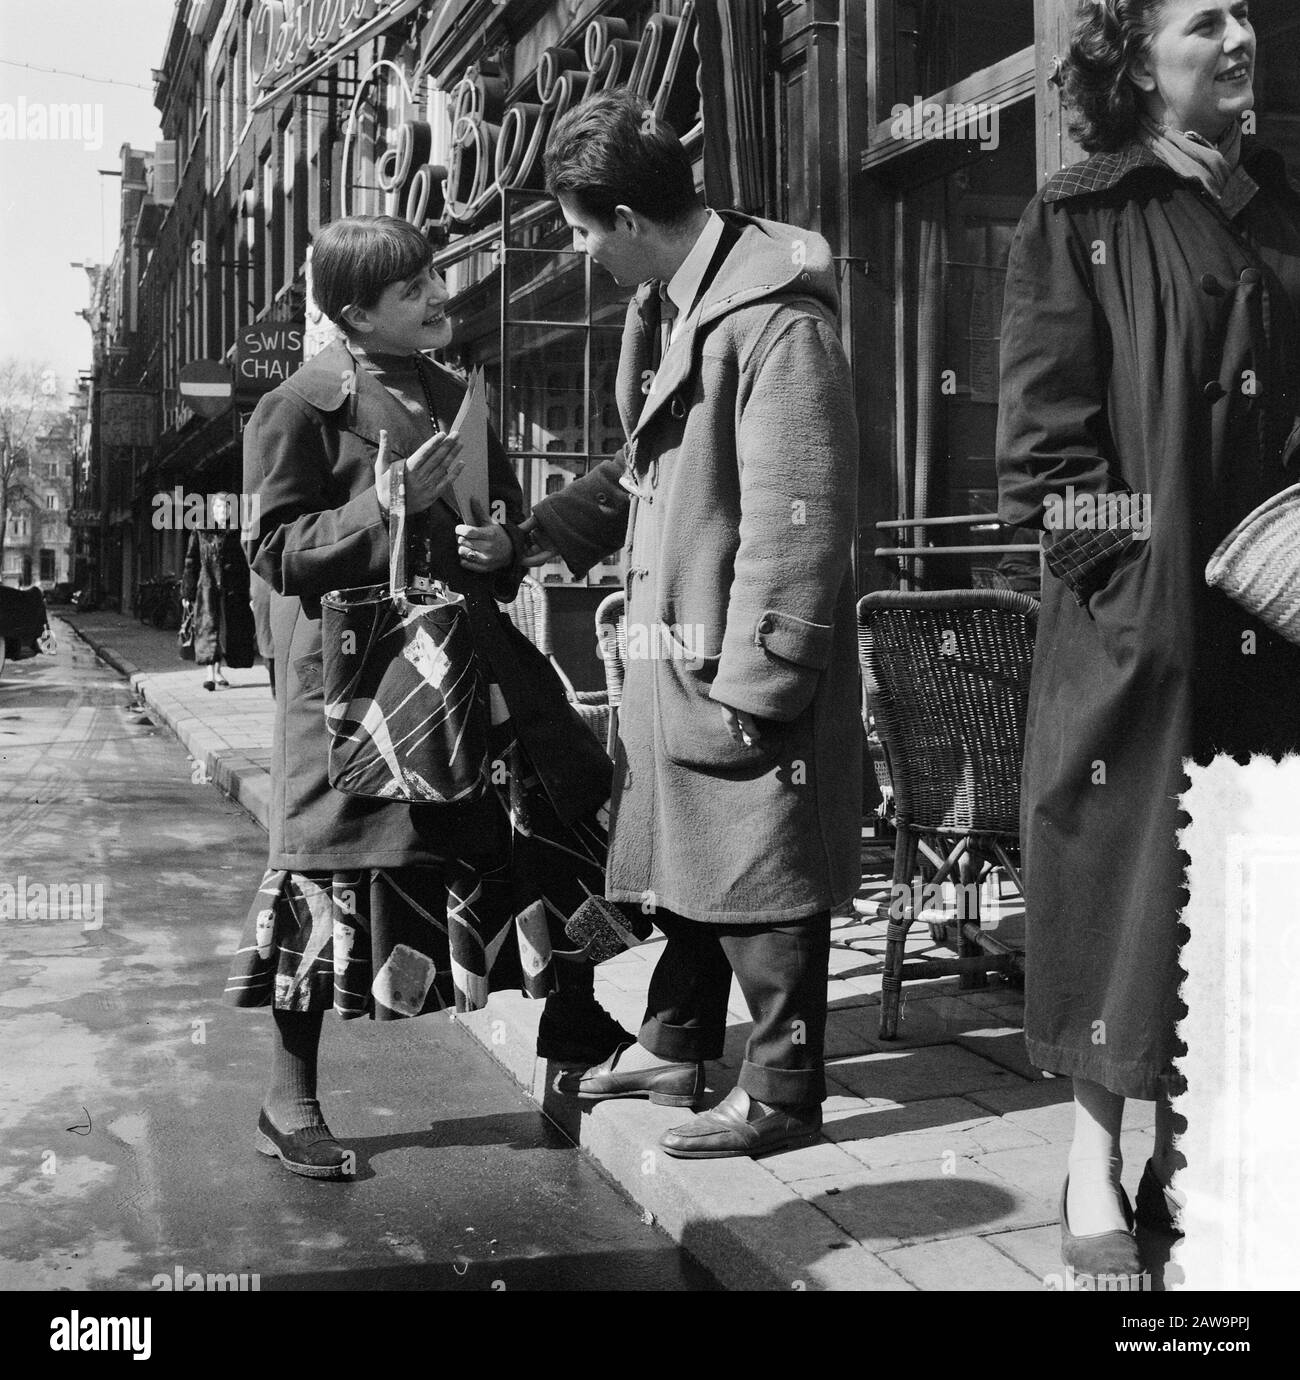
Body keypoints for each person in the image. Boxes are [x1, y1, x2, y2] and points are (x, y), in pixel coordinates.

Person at [224, 214, 631, 1180]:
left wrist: (498, 544)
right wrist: (382, 506)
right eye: (413, 290)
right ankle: (291, 1104)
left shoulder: (456, 391)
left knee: (553, 820)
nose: (438, 296)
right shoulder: (294, 408)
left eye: (433, 277)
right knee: (331, 876)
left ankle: (574, 1026)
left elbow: (476, 534)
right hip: (365, 688)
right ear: (356, 312)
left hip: (474, 665)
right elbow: (276, 552)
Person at [997, 0, 1300, 1278]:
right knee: (1123, 894)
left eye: (1245, 15)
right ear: (1135, 64)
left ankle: (1199, 1155)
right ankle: (1089, 1172)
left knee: (1245, 898)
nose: (1239, 37)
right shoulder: (1080, 219)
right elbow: (1044, 460)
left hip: (1279, 630)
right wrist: (1143, 581)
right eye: (1203, 20)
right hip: (1138, 642)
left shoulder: (1284, 206)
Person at [523, 90, 862, 1160]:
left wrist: (762, 679)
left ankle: (783, 1096)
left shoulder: (775, 319)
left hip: (734, 657)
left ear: (625, 217)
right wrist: (530, 534)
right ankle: (675, 1044)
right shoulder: (702, 297)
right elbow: (645, 474)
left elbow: (797, 518)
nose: (582, 255)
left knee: (763, 874)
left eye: (582, 232)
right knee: (694, 861)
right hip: (684, 651)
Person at [181, 495, 256, 690]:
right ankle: (209, 674)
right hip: (207, 587)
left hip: (230, 589)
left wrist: (248, 592)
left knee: (225, 630)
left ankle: (219, 671)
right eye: (219, 509)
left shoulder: (235, 532)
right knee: (208, 627)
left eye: (226, 509)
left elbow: (244, 564)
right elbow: (191, 561)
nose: (223, 512)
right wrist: (187, 593)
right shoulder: (201, 530)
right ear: (213, 511)